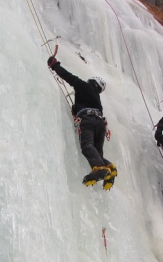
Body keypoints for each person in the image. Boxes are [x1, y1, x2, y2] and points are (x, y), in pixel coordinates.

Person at [47, 56, 118, 189]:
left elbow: (69, 77)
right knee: (97, 151)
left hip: (88, 120)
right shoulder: (97, 99)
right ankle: (109, 167)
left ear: (94, 83)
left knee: (87, 146)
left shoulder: (84, 87)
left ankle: (100, 169)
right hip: (100, 124)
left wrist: (55, 65)